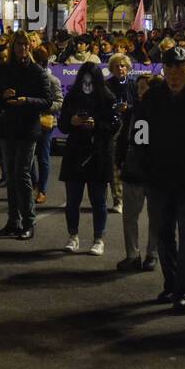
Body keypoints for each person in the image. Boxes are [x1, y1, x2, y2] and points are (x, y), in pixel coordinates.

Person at [128, 45, 185, 315]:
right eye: (169, 68)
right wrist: (145, 167)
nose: (174, 73)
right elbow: (139, 135)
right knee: (164, 235)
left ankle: (183, 290)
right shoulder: (152, 99)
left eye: (179, 67)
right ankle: (172, 283)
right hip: (159, 181)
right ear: (163, 70)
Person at [0, 30, 53, 239]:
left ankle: (28, 221)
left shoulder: (37, 71)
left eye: (26, 45)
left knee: (22, 173)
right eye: (19, 44)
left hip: (27, 128)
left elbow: (47, 101)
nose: (23, 48)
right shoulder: (3, 69)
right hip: (8, 128)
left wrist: (27, 101)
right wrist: (2, 95)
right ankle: (13, 221)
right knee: (11, 173)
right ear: (13, 46)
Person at [59, 61, 120, 256]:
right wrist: (72, 121)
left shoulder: (107, 98)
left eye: (90, 81)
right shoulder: (72, 97)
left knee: (99, 200)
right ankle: (73, 236)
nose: (87, 85)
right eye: (84, 81)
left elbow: (114, 126)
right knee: (73, 200)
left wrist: (96, 125)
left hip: (99, 153)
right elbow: (62, 125)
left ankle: (98, 239)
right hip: (75, 152)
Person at [115, 73, 159, 271]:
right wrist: (120, 159)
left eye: (144, 88)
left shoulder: (146, 112)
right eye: (139, 88)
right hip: (136, 170)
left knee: (155, 216)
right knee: (132, 216)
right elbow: (124, 138)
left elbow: (139, 141)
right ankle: (134, 254)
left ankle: (151, 254)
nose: (140, 92)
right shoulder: (134, 112)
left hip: (148, 171)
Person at [32, 45, 64, 206]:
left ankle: (42, 190)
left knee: (43, 158)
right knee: (28, 157)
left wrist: (42, 106)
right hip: (28, 120)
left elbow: (59, 102)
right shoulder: (28, 78)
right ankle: (34, 184)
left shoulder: (52, 80)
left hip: (45, 122)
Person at [105, 54, 134, 214]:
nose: (120, 69)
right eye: (117, 66)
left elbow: (139, 104)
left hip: (130, 129)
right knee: (114, 164)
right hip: (113, 129)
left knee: (128, 164)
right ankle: (118, 199)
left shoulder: (133, 85)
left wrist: (128, 108)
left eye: (123, 66)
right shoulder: (106, 85)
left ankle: (130, 197)